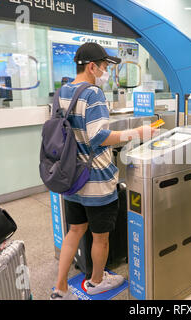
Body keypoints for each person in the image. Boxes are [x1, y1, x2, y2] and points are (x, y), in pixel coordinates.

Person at [50, 42, 157, 300]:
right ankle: (97, 281)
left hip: (71, 177)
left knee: (74, 231)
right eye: (105, 66)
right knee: (101, 238)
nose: (106, 71)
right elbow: (98, 136)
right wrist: (138, 133)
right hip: (96, 180)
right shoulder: (93, 93)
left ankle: (60, 286)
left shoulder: (61, 92)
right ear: (91, 67)